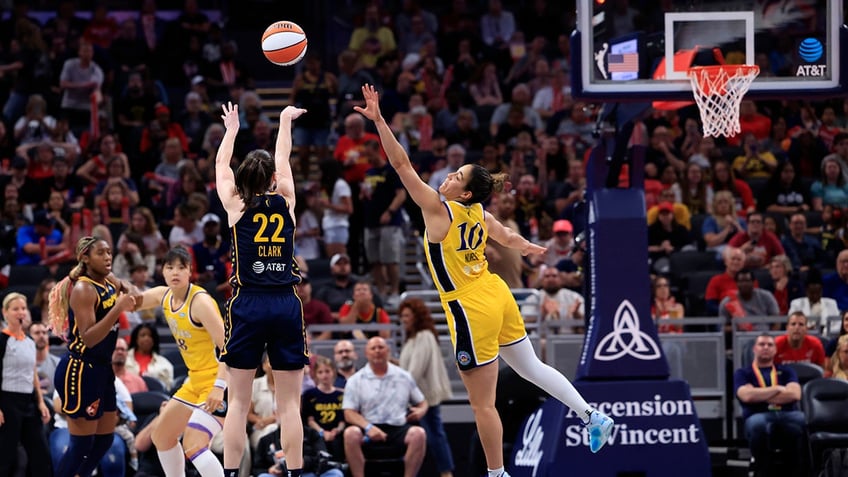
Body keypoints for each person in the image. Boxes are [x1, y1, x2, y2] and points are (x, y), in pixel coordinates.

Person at [355, 84, 614, 477]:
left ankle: (497, 475)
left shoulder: (441, 212)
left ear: (466, 191)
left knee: (482, 404)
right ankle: (591, 415)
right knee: (532, 368)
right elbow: (508, 238)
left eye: (456, 175)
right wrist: (528, 246)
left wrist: (379, 122)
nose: (447, 175)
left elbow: (402, 166)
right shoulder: (479, 214)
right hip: (497, 294)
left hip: (469, 306)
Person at [215, 101, 309, 477]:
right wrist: (285, 120)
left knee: (237, 402)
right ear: (271, 178)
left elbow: (221, 166)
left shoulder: (235, 203)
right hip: (286, 302)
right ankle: (297, 473)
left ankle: (230, 474)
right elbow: (282, 157)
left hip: (247, 304)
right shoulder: (285, 199)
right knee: (289, 405)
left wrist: (231, 130)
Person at [47, 236, 141, 477]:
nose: (108, 257)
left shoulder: (107, 280)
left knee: (104, 440)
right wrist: (118, 308)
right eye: (101, 253)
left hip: (102, 368)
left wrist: (129, 288)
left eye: (109, 252)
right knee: (81, 446)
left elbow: (126, 286)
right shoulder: (84, 288)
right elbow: (88, 337)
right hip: (80, 370)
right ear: (85, 258)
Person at [135, 246, 229, 477]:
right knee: (162, 436)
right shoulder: (163, 295)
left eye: (181, 267)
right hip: (194, 381)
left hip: (220, 381)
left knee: (194, 444)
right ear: (163, 273)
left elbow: (230, 348)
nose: (175, 272)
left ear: (190, 272)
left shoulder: (200, 303)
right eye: (170, 267)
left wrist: (219, 387)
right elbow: (131, 301)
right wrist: (105, 284)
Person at [342, 336, 428, 477]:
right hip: (368, 427)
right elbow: (349, 413)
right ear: (366, 353)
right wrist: (369, 428)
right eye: (373, 348)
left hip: (398, 428)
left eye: (381, 347)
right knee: (350, 433)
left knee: (419, 434)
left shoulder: (404, 376)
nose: (377, 351)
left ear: (388, 350)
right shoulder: (355, 380)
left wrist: (421, 410)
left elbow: (422, 402)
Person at [733, 333, 805, 476]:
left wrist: (758, 394)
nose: (766, 347)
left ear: (775, 350)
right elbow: (746, 396)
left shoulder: (786, 371)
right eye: (761, 344)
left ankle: (801, 470)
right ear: (754, 349)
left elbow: (795, 394)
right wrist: (777, 389)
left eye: (770, 345)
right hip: (757, 415)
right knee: (757, 424)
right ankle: (762, 470)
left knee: (803, 420)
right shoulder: (742, 373)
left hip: (787, 414)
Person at [398, 298, 455, 477]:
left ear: (417, 316)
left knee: (435, 436)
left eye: (407, 315)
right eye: (402, 316)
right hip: (416, 395)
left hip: (425, 396)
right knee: (430, 435)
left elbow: (415, 369)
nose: (403, 319)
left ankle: (446, 473)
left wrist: (398, 390)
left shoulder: (424, 336)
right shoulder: (414, 337)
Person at [0, 293, 51, 476]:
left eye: (23, 308)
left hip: (28, 401)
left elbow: (33, 373)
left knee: (40, 453)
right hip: (7, 401)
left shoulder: (30, 342)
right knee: (6, 455)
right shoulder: (3, 340)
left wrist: (40, 401)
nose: (20, 312)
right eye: (15, 309)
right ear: (5, 313)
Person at [301, 356, 346, 461]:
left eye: (327, 371)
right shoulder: (309, 394)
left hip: (337, 433)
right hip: (317, 433)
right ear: (315, 374)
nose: (324, 375)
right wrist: (322, 432)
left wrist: (337, 430)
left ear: (333, 372)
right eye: (320, 372)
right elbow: (310, 420)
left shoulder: (342, 394)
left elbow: (343, 419)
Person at [125, 322, 174, 390]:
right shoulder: (124, 359)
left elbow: (168, 388)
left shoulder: (165, 364)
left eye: (150, 336)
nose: (147, 338)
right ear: (136, 339)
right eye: (143, 335)